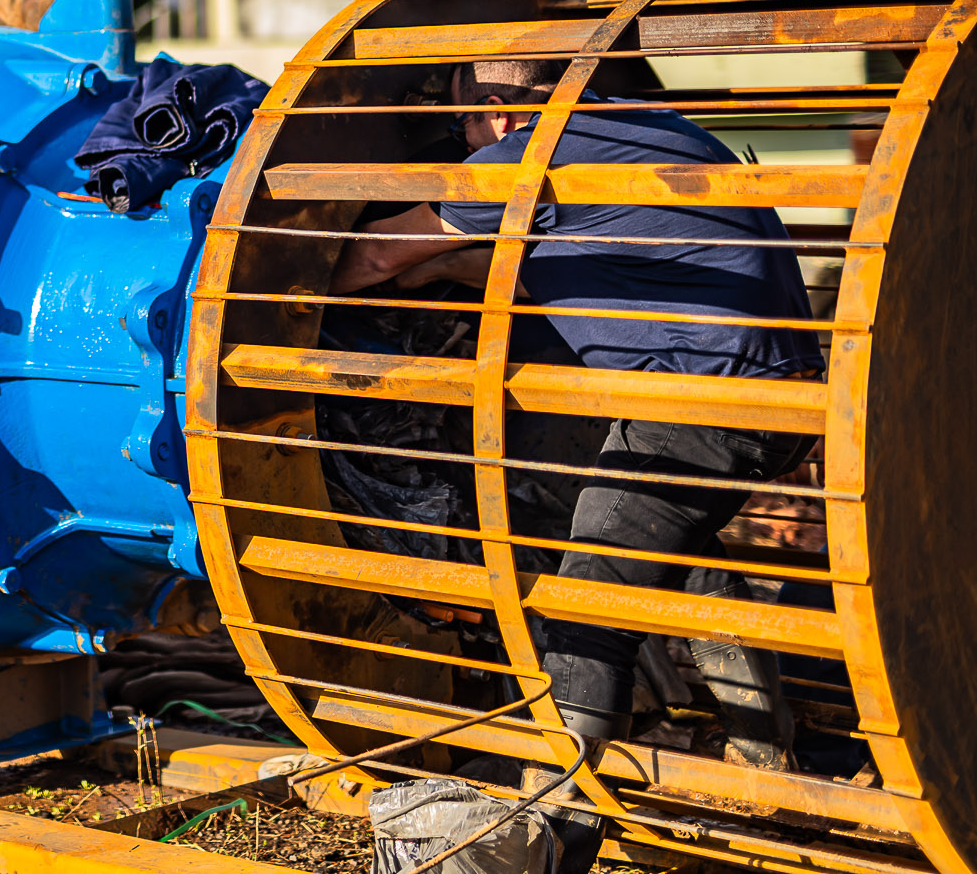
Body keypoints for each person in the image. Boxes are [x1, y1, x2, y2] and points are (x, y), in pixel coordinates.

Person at [329, 58, 822, 836]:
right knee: (673, 554)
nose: (465, 142)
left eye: (462, 125)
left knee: (587, 600)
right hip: (776, 395)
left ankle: (555, 819)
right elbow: (508, 260)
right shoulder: (643, 131)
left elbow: (380, 255)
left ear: (495, 110)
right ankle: (766, 757)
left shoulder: (533, 152)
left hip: (696, 401)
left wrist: (305, 282)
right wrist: (433, 269)